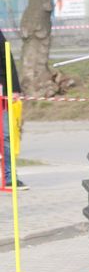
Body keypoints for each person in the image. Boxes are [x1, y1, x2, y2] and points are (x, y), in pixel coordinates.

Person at [0, 28, 25, 190]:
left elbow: (6, 57)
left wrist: (14, 88)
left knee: (6, 136)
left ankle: (10, 177)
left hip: (2, 93)